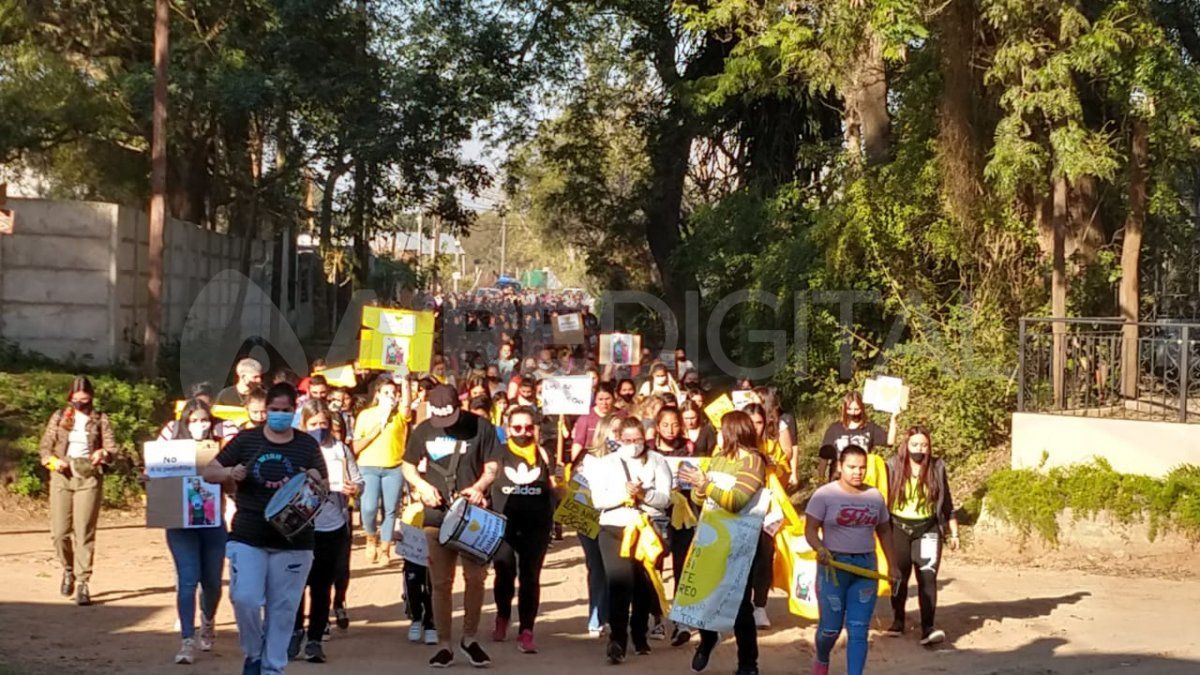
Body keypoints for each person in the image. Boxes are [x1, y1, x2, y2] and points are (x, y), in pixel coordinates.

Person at [203, 382, 328, 675]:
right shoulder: (247, 440)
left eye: (286, 411)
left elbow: (323, 485)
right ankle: (254, 652)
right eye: (275, 410)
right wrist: (229, 473)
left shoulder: (306, 444)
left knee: (283, 609)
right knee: (245, 597)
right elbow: (209, 470)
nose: (280, 415)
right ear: (266, 410)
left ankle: (273, 668)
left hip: (295, 539)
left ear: (295, 411)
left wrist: (310, 477)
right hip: (249, 533)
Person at [400, 384, 501, 668]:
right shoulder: (423, 430)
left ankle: (469, 638)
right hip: (436, 515)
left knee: (476, 578)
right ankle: (444, 644)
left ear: (459, 406)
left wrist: (480, 486)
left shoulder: (481, 426)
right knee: (441, 583)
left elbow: (493, 464)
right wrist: (421, 485)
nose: (444, 424)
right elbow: (408, 465)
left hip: (473, 515)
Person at [678, 411, 768, 675]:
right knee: (705, 593)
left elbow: (736, 501)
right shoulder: (717, 458)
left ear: (732, 431)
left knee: (740, 604)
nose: (716, 433)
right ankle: (707, 641)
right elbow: (699, 499)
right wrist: (699, 486)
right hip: (712, 537)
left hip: (742, 542)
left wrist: (706, 485)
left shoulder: (753, 461)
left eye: (720, 428)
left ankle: (748, 664)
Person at [586, 417, 672, 664]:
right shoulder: (605, 464)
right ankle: (618, 639)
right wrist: (625, 493)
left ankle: (639, 633)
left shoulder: (658, 460)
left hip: (647, 531)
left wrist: (644, 493)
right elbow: (598, 500)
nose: (633, 445)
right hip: (614, 528)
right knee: (619, 584)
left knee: (644, 585)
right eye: (628, 440)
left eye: (638, 440)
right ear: (617, 439)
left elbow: (665, 499)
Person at [804, 446, 896, 675]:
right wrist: (820, 548)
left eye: (862, 467)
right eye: (852, 467)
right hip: (834, 568)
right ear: (840, 467)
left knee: (858, 629)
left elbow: (885, 532)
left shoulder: (875, 497)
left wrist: (893, 564)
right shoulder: (824, 495)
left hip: (866, 569)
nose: (857, 472)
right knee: (830, 629)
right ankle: (822, 659)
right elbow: (810, 529)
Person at [290, 401, 363, 663]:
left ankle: (315, 640)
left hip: (331, 526)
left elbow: (358, 480)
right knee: (296, 584)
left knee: (321, 587)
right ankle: (295, 632)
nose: (319, 429)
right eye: (313, 424)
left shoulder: (340, 449)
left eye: (323, 424)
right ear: (303, 425)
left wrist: (354, 489)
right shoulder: (296, 449)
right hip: (300, 527)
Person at [38, 376, 116, 606]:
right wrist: (51, 460)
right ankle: (68, 568)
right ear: (70, 398)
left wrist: (103, 454)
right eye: (76, 400)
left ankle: (83, 582)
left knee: (84, 531)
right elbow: (45, 447)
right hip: (62, 475)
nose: (80, 404)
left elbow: (112, 448)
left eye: (84, 399)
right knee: (60, 532)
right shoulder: (60, 417)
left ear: (91, 398)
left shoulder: (100, 419)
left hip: (88, 475)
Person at [160, 398, 227, 664]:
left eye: (205, 420)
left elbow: (232, 482)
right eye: (195, 420)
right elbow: (157, 479)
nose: (201, 425)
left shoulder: (221, 449)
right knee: (187, 580)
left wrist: (229, 473)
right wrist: (149, 479)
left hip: (212, 523)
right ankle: (187, 639)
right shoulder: (170, 450)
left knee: (211, 582)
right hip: (180, 524)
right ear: (185, 423)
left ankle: (208, 620)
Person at [885, 426, 959, 646]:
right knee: (899, 576)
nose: (920, 449)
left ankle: (928, 627)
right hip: (898, 527)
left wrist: (954, 531)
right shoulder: (892, 466)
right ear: (906, 446)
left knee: (927, 577)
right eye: (915, 444)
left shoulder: (937, 467)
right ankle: (898, 620)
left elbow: (947, 502)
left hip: (927, 529)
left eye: (924, 445)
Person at [490, 407, 555, 653]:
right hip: (504, 524)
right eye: (517, 427)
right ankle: (502, 616)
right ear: (508, 430)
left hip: (536, 525)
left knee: (530, 577)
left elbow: (553, 487)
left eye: (528, 427)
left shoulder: (543, 454)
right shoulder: (498, 453)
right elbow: (487, 477)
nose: (523, 432)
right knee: (504, 572)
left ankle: (527, 630)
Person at [650, 408, 696, 646]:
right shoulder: (648, 449)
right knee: (654, 564)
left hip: (684, 515)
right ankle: (656, 616)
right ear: (657, 426)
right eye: (665, 425)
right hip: (656, 514)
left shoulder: (689, 448)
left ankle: (681, 620)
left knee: (682, 565)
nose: (670, 429)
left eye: (675, 424)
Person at [353, 376, 410, 565]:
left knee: (391, 509)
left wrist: (406, 381)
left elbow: (407, 406)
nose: (390, 396)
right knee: (368, 508)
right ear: (377, 394)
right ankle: (371, 537)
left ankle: (385, 549)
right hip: (368, 466)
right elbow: (356, 446)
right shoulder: (365, 415)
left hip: (393, 467)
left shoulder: (400, 414)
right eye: (386, 393)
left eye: (394, 393)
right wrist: (378, 426)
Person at [577, 415, 623, 639]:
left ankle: (616, 617)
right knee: (596, 567)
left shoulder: (629, 459)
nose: (617, 436)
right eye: (613, 431)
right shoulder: (589, 460)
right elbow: (579, 492)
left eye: (621, 431)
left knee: (616, 569)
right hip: (590, 518)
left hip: (617, 519)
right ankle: (596, 617)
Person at [818, 392, 896, 483]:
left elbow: (890, 442)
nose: (853, 413)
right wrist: (820, 479)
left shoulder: (870, 428)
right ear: (844, 409)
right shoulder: (834, 429)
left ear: (862, 409)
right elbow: (824, 457)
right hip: (838, 479)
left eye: (856, 409)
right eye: (849, 409)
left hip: (862, 478)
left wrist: (893, 420)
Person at [569, 383, 621, 464]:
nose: (604, 403)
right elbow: (578, 442)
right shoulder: (585, 417)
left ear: (613, 398)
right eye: (600, 399)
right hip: (592, 460)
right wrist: (575, 464)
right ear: (595, 400)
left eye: (607, 399)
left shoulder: (622, 415)